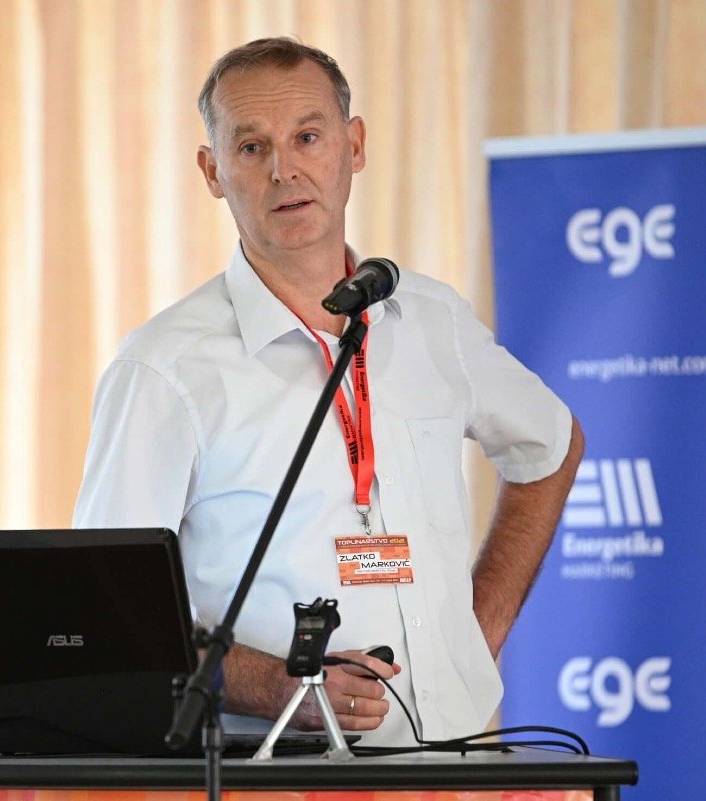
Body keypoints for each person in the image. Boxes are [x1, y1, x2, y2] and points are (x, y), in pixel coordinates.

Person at [72, 37, 582, 746]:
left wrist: (480, 627)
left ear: (355, 145)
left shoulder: (431, 320)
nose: (285, 169)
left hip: (454, 766)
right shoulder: (164, 368)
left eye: (307, 137)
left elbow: (550, 445)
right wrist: (280, 685)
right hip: (266, 771)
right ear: (212, 171)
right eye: (252, 147)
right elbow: (109, 612)